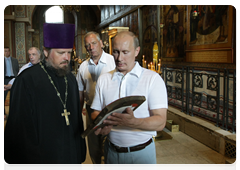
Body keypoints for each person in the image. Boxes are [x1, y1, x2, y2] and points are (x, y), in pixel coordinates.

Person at [4, 23, 86, 170]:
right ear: (46, 52)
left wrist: (79, 152)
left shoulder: (71, 79)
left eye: (69, 52)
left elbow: (76, 119)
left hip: (70, 157)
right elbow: (20, 132)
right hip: (42, 160)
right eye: (61, 53)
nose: (67, 58)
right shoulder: (26, 81)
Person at [91, 31, 168, 170]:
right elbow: (95, 111)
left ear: (136, 51)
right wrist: (102, 124)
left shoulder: (152, 79)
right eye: (116, 52)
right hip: (111, 152)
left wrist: (134, 122)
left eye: (125, 52)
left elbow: (161, 122)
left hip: (141, 154)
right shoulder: (104, 79)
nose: (119, 58)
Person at [76, 31, 115, 170]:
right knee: (94, 147)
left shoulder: (113, 61)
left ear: (101, 43)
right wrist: (78, 113)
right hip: (91, 109)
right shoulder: (83, 66)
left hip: (111, 110)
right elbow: (80, 92)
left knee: (110, 145)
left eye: (93, 43)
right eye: (87, 45)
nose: (91, 47)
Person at [4, 47, 19, 114]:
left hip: (14, 79)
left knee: (15, 96)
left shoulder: (15, 60)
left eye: (8, 51)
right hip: (5, 80)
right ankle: (3, 113)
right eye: (5, 51)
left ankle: (14, 113)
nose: (6, 52)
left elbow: (17, 70)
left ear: (10, 51)